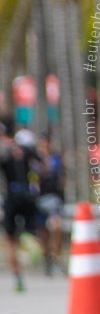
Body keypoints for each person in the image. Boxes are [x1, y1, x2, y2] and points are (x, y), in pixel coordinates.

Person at [1, 120, 41, 292]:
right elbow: (41, 163)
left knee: (10, 240)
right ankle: (29, 238)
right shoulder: (26, 147)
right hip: (27, 195)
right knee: (32, 229)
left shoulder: (4, 151)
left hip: (11, 196)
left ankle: (18, 277)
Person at [35, 132, 66, 276]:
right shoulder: (34, 161)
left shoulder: (56, 159)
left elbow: (62, 178)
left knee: (56, 227)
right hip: (39, 199)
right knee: (43, 233)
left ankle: (56, 259)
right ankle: (46, 259)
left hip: (53, 198)